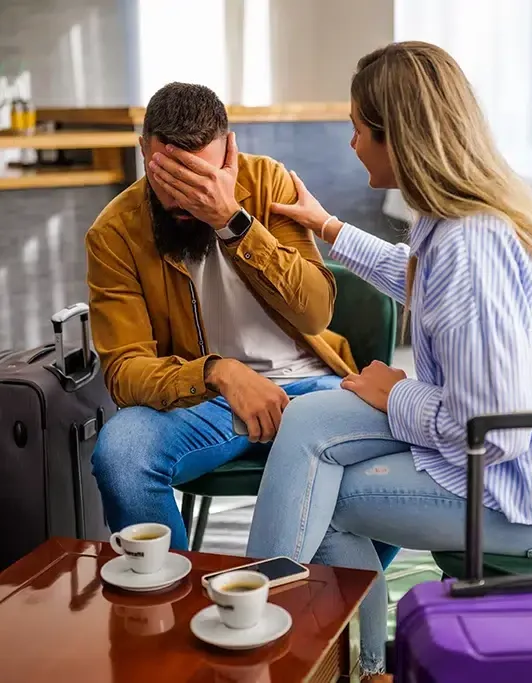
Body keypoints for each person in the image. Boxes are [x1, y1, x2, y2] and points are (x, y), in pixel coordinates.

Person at [245, 42, 532, 680]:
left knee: (324, 501)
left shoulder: (470, 244)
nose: (350, 143)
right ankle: (352, 662)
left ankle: (267, 651)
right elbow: (425, 283)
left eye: (357, 128)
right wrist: (329, 227)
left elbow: (492, 429)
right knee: (310, 424)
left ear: (396, 136)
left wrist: (395, 391)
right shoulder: (461, 220)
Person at [85, 82, 375, 552]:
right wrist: (219, 372)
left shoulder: (268, 182)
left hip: (308, 386)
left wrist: (231, 220)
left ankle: (323, 598)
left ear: (228, 153)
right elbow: (123, 371)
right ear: (143, 151)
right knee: (122, 454)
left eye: (201, 176)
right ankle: (175, 610)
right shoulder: (114, 233)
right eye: (169, 176)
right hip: (204, 398)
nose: (185, 197)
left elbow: (315, 312)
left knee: (414, 451)